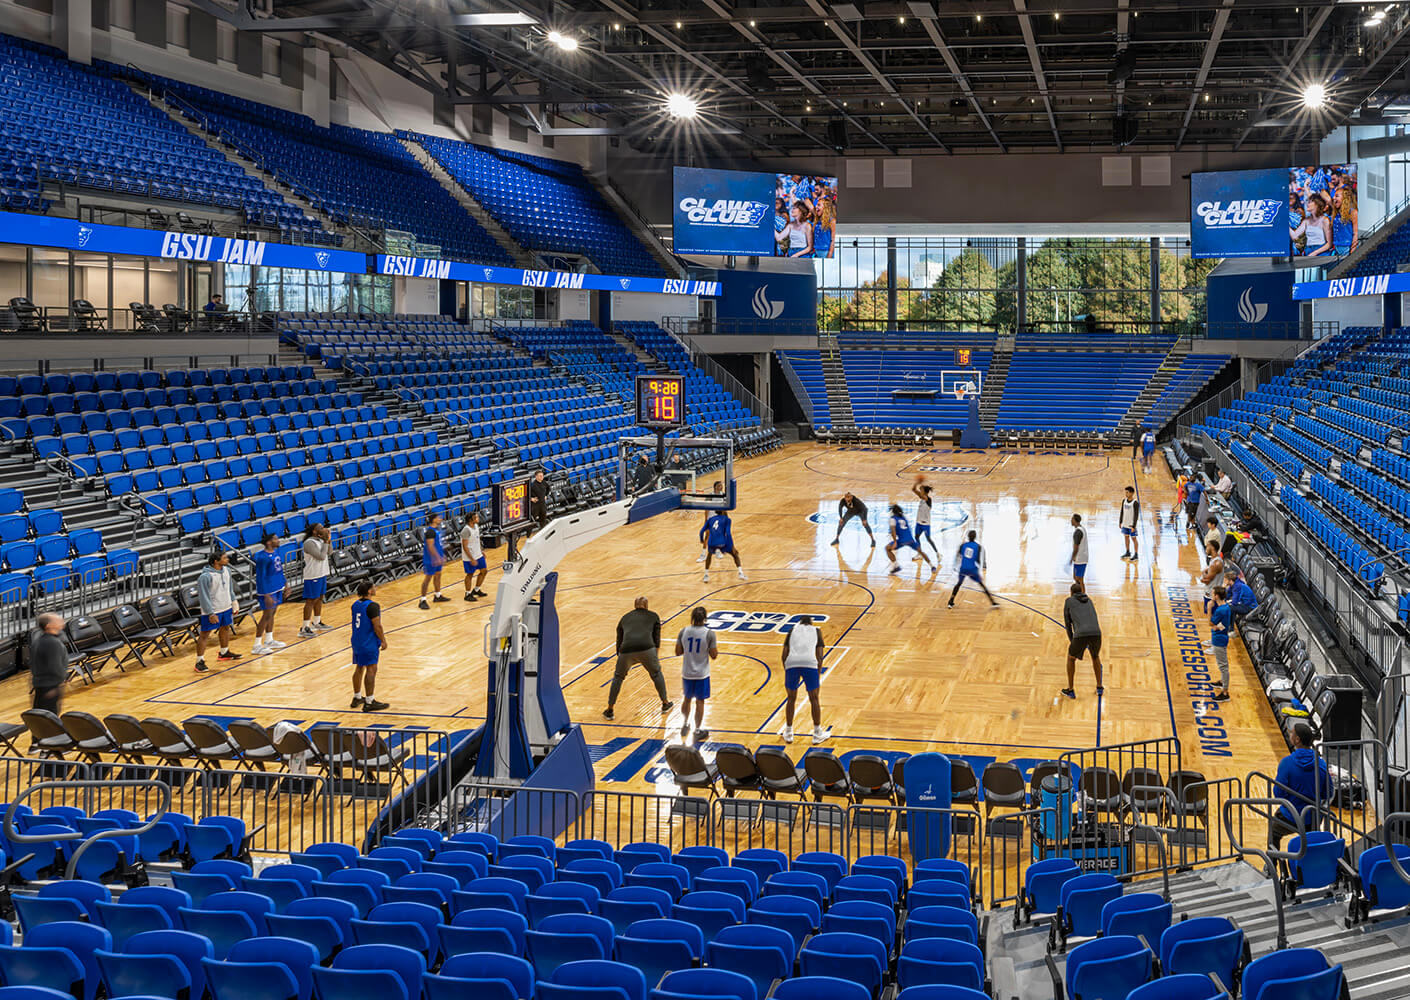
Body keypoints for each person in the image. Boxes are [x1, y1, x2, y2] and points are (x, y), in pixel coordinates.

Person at [603, 597, 672, 719]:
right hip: (647, 649)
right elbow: (657, 638)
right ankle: (665, 703)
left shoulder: (625, 617)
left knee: (618, 678)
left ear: (635, 605)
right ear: (646, 605)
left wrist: (620, 654)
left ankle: (610, 709)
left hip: (626, 650)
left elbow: (619, 636)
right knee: (656, 674)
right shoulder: (653, 616)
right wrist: (655, 655)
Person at [1269, 722, 1330, 849]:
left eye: (1292, 733)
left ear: (1297, 740)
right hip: (1313, 817)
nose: (1290, 734)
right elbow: (1328, 791)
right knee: (1310, 839)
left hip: (1292, 815)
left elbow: (1278, 793)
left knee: (1274, 829)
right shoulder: (1321, 763)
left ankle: (1271, 863)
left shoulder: (1287, 763)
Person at [780, 614, 831, 744]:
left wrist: (788, 669)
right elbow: (819, 656)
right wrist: (817, 673)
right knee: (814, 698)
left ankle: (789, 732)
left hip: (792, 663)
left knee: (791, 698)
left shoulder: (792, 631)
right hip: (810, 664)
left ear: (800, 622)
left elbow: (784, 654)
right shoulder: (816, 631)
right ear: (810, 623)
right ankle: (817, 733)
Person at [674, 606, 718, 740]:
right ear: (705, 618)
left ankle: (685, 724)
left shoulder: (684, 631)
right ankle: (697, 730)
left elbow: (678, 652)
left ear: (692, 618)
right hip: (702, 674)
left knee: (687, 699)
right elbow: (714, 655)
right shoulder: (709, 633)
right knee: (700, 701)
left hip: (687, 672)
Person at [195, 550, 241, 673]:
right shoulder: (205, 577)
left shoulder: (227, 570)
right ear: (216, 561)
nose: (228, 560)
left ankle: (224, 652)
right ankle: (199, 661)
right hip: (213, 610)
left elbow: (229, 588)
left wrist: (234, 602)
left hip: (225, 606)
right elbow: (203, 597)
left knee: (226, 627)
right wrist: (210, 613)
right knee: (205, 634)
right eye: (225, 558)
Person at [349, 580, 389, 712]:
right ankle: (370, 701)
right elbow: (377, 626)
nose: (375, 588)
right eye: (373, 587)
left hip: (356, 640)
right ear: (369, 591)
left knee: (359, 667)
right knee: (371, 669)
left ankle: (357, 697)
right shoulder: (373, 606)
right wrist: (383, 640)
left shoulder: (355, 605)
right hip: (368, 642)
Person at [1061, 583, 1104, 699]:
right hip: (1096, 633)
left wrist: (1072, 640)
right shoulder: (1089, 600)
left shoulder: (1069, 601)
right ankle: (1099, 687)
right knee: (1095, 657)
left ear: (1072, 593)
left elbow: (1067, 623)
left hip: (1080, 634)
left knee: (1071, 658)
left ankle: (1070, 690)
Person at [251, 532, 287, 654]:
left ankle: (269, 639)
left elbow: (280, 570)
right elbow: (260, 577)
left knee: (272, 614)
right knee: (266, 616)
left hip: (277, 587)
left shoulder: (276, 552)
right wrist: (266, 595)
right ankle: (256, 645)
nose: (278, 540)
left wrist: (286, 585)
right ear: (268, 542)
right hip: (268, 590)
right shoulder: (262, 557)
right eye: (275, 539)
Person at [948, 529, 998, 608]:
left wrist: (955, 566)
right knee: (981, 584)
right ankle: (993, 602)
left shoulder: (963, 545)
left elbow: (958, 555)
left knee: (958, 584)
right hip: (972, 569)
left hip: (963, 568)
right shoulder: (978, 546)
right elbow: (977, 560)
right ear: (975, 537)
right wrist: (980, 569)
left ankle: (950, 602)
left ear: (968, 537)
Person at [29, 613, 67, 715]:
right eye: (58, 620)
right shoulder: (51, 642)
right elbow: (55, 666)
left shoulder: (40, 640)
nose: (62, 621)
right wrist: (57, 685)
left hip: (42, 686)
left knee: (41, 717)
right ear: (48, 626)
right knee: (49, 720)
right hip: (50, 687)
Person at [298, 524, 332, 638]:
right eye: (321, 528)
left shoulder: (321, 541)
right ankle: (304, 627)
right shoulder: (309, 543)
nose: (323, 529)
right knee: (311, 600)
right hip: (313, 575)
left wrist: (328, 540)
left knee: (320, 598)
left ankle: (317, 622)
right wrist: (326, 541)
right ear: (314, 531)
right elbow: (321, 556)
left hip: (322, 573)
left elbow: (329, 552)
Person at [886, 503, 934, 574]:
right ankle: (932, 566)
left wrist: (895, 542)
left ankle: (895, 565)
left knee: (887, 548)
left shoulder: (892, 519)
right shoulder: (904, 518)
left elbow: (893, 532)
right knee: (921, 552)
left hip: (902, 540)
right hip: (911, 540)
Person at [701, 509, 746, 583]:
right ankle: (740, 573)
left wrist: (702, 540)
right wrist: (731, 545)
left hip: (713, 541)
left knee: (709, 555)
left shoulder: (711, 519)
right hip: (723, 541)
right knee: (735, 554)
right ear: (723, 512)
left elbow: (702, 531)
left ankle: (706, 575)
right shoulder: (726, 520)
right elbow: (728, 533)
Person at [419, 512, 448, 609]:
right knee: (427, 579)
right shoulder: (430, 531)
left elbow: (437, 545)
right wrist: (436, 557)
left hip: (437, 558)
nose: (440, 519)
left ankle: (438, 595)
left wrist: (441, 555)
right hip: (430, 560)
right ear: (433, 519)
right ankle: (422, 599)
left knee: (438, 576)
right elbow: (430, 546)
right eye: (438, 517)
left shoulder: (436, 530)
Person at [1209, 585, 1233, 702]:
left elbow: (1211, 623)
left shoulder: (1220, 610)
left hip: (1219, 640)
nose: (1211, 595)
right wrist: (1215, 627)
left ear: (1217, 596)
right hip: (1221, 637)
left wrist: (1209, 608)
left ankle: (1225, 692)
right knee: (1223, 665)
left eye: (1213, 593)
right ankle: (1222, 682)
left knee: (1223, 666)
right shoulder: (1225, 607)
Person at [461, 511, 489, 602]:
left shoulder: (476, 526)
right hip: (469, 557)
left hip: (478, 554)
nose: (478, 518)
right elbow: (465, 547)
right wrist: (471, 559)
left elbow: (477, 539)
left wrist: (481, 550)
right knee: (470, 574)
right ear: (470, 520)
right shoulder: (466, 530)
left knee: (484, 571)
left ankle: (476, 590)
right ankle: (467, 594)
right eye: (476, 517)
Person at [912, 479, 939, 557]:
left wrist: (920, 485)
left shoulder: (928, 499)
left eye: (921, 490)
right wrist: (916, 482)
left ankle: (937, 553)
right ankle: (919, 553)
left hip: (926, 524)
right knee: (916, 537)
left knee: (928, 539)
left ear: (925, 492)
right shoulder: (922, 498)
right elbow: (913, 489)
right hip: (919, 523)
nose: (920, 491)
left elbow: (921, 494)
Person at [1200, 541, 1225, 613]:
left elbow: (1206, 580)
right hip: (1210, 593)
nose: (1206, 548)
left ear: (1212, 548)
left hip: (1212, 595)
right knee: (1208, 616)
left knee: (1211, 618)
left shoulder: (1216, 564)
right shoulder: (1214, 560)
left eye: (1208, 546)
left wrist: (1203, 574)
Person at [1118, 486, 1140, 562]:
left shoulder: (1135, 503)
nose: (1126, 494)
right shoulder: (1124, 501)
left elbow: (1136, 515)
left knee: (1134, 539)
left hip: (1131, 525)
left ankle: (1136, 554)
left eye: (1127, 492)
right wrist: (1120, 521)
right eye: (1125, 492)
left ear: (1132, 493)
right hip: (1125, 523)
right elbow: (1122, 512)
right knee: (1126, 538)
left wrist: (1134, 526)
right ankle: (1127, 552)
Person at [1069, 513, 1089, 591]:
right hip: (1081, 557)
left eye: (1072, 519)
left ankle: (1083, 595)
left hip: (1081, 558)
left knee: (1080, 579)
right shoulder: (1081, 528)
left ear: (1075, 520)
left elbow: (1076, 547)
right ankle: (1079, 595)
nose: (1071, 521)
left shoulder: (1078, 532)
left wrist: (1072, 557)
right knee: (1076, 578)